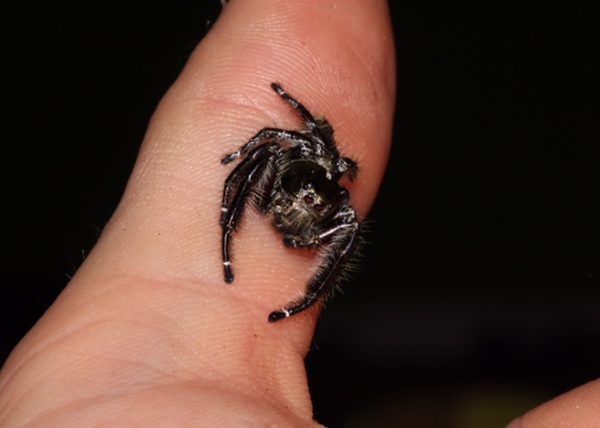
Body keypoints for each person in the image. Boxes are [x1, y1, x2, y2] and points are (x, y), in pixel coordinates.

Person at [0, 1, 596, 426]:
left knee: (348, 221)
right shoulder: (289, 152)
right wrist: (236, 193)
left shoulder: (332, 189)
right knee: (270, 151)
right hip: (279, 206)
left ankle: (306, 297)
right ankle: (231, 244)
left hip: (305, 226)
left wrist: (304, 296)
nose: (325, 155)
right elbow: (265, 140)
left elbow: (336, 190)